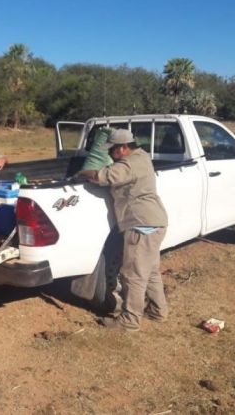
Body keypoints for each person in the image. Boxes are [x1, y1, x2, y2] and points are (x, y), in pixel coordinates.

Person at [75, 129, 168, 331]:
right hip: (154, 221)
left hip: (141, 223)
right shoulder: (142, 157)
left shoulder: (130, 164)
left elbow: (103, 176)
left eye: (113, 150)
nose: (110, 154)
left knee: (133, 274)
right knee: (150, 270)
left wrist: (84, 172)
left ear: (124, 147)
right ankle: (157, 310)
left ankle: (130, 321)